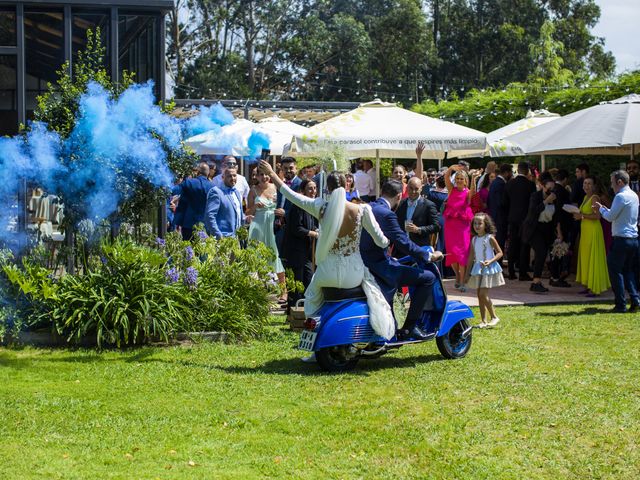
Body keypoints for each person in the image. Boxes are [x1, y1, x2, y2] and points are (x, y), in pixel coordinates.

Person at [258, 160, 396, 342]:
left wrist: (273, 174)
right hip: (352, 274)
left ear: (328, 189)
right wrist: (387, 241)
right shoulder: (363, 210)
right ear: (347, 185)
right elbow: (381, 240)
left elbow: (290, 194)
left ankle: (312, 335)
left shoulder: (320, 207)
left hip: (326, 273)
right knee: (375, 291)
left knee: (312, 299)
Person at [360, 179, 444, 340]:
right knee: (428, 278)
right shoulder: (387, 214)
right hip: (381, 267)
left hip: (366, 264)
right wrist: (429, 255)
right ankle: (409, 328)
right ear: (399, 196)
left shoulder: (368, 207)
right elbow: (403, 242)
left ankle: (392, 330)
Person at [594, 170, 639, 313]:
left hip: (621, 239)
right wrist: (607, 209)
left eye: (612, 182)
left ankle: (620, 304)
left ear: (620, 182)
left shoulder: (620, 196)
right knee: (628, 271)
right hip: (633, 239)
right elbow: (618, 214)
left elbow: (610, 217)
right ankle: (635, 299)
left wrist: (601, 209)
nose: (611, 185)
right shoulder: (633, 195)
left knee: (615, 271)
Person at [247, 168, 286, 303]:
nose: (264, 177)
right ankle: (257, 292)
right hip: (258, 226)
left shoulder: (276, 187)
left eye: (266, 174)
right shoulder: (253, 190)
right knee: (256, 257)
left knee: (276, 256)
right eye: (261, 175)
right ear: (256, 176)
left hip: (272, 226)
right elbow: (247, 212)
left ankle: (283, 291)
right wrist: (255, 207)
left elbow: (283, 204)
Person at [282, 179, 319, 309]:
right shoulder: (297, 206)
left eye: (315, 188)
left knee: (308, 281)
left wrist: (315, 229)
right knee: (296, 285)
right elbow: (296, 228)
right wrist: (312, 233)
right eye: (310, 188)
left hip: (307, 252)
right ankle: (292, 314)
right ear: (302, 191)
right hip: (295, 252)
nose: (313, 191)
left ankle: (305, 312)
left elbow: (312, 224)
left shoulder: (312, 206)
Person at [464, 213, 504, 328]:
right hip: (477, 268)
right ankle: (483, 321)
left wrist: (490, 261)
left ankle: (494, 317)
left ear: (485, 224)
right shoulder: (474, 239)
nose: (477, 226)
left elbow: (500, 253)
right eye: (475, 223)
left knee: (483, 293)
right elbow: (471, 257)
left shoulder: (490, 238)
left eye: (480, 223)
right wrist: (467, 274)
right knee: (479, 295)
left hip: (488, 268)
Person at [521, 172, 558, 293]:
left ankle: (537, 281)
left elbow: (556, 217)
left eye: (553, 188)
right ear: (543, 186)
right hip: (533, 229)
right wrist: (546, 201)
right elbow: (534, 212)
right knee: (541, 252)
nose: (551, 190)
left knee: (543, 254)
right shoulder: (535, 196)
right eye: (549, 188)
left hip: (546, 230)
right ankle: (535, 281)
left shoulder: (555, 198)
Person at [574, 176, 610, 296]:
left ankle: (595, 288)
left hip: (593, 231)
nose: (586, 186)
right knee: (586, 257)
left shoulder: (595, 198)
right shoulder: (585, 197)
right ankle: (588, 285)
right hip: (585, 231)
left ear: (594, 186)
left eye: (589, 183)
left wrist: (582, 216)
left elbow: (598, 216)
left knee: (592, 257)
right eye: (585, 183)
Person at [443, 165, 477, 291]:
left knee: (462, 253)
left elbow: (473, 191)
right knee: (452, 253)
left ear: (465, 180)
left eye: (461, 179)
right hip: (450, 225)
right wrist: (451, 168)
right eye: (457, 178)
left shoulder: (467, 192)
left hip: (463, 227)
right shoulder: (451, 189)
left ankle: (462, 282)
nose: (458, 180)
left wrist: (473, 178)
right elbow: (446, 176)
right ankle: (457, 276)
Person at [504, 162, 536, 280]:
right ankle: (523, 272)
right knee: (524, 245)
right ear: (527, 171)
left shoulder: (509, 184)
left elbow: (504, 202)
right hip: (526, 219)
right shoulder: (530, 185)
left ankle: (511, 271)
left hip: (512, 217)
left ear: (518, 170)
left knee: (513, 244)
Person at [172, 162, 214, 240]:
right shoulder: (213, 187)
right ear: (208, 174)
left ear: (197, 172)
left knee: (189, 249)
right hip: (206, 225)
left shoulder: (189, 182)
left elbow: (174, 191)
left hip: (188, 224)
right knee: (204, 250)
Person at [396, 177, 441, 247]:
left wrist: (418, 229)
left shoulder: (428, 205)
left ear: (421, 189)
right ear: (407, 188)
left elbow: (436, 226)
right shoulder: (400, 203)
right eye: (411, 188)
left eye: (416, 189)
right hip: (401, 247)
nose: (413, 192)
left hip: (419, 246)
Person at [549, 169, 573, 288]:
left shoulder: (553, 190)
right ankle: (555, 277)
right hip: (561, 225)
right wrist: (559, 230)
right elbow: (559, 211)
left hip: (553, 225)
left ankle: (554, 276)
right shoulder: (562, 191)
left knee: (556, 252)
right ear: (565, 179)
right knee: (558, 252)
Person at [204, 167, 244, 239]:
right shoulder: (216, 192)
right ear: (223, 177)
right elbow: (209, 216)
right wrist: (218, 234)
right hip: (223, 238)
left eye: (234, 175)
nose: (233, 178)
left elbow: (238, 214)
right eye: (229, 176)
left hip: (236, 238)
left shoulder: (237, 193)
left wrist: (246, 219)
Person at [488, 163, 513, 257]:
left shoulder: (495, 182)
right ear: (506, 173)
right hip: (500, 218)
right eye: (510, 172)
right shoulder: (501, 184)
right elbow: (501, 203)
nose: (511, 174)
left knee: (497, 242)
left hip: (495, 216)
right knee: (499, 243)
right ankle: (498, 266)